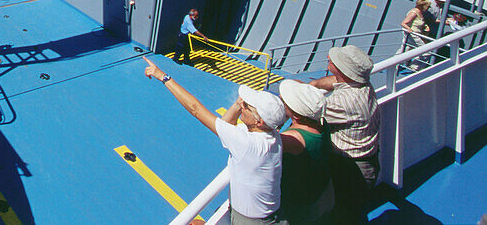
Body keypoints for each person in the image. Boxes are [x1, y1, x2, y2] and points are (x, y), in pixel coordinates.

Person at [144, 57, 286, 224]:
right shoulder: (272, 136)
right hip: (264, 215)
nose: (243, 106)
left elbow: (195, 109)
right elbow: (226, 125)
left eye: (247, 106)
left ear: (259, 121)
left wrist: (164, 77)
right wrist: (239, 105)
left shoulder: (246, 143)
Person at [307, 45, 378, 222]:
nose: (329, 58)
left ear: (343, 71)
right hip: (363, 164)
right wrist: (315, 84)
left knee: (344, 215)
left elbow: (307, 110)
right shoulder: (363, 85)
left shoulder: (344, 102)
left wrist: (302, 91)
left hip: (351, 171)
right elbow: (337, 82)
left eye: (334, 61)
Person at [278, 80, 335, 223]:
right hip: (322, 191)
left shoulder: (292, 139)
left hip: (303, 204)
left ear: (296, 116)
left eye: (284, 102)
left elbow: (259, 141)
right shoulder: (321, 123)